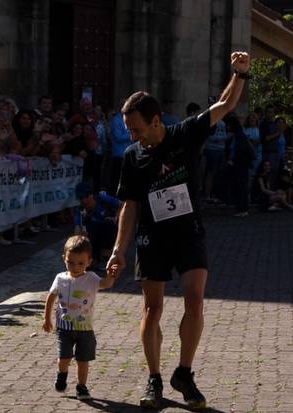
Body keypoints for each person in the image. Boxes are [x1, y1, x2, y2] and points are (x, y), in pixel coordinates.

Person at [106, 51, 250, 409]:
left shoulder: (185, 134)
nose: (134, 136)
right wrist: (118, 249)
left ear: (156, 120)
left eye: (137, 129)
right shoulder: (131, 157)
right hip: (152, 237)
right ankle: (154, 379)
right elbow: (130, 205)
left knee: (195, 303)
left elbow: (225, 104)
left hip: (189, 231)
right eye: (129, 131)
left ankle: (184, 373)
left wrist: (240, 73)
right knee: (152, 309)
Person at [42, 235, 117, 400]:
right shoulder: (60, 278)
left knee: (83, 361)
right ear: (64, 259)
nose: (75, 267)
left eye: (81, 263)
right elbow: (51, 297)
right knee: (64, 358)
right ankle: (62, 374)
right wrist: (47, 318)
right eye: (71, 262)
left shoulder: (91, 278)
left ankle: (82, 387)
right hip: (64, 328)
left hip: (85, 329)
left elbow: (105, 284)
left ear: (89, 261)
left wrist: (111, 275)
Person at [74, 183, 120, 268]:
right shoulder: (80, 210)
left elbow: (122, 205)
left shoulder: (102, 199)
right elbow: (76, 229)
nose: (84, 200)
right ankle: (91, 257)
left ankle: (105, 256)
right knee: (80, 235)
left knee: (108, 223)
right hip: (94, 235)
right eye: (81, 198)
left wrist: (117, 218)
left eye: (86, 196)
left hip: (111, 233)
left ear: (91, 194)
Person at [224, 113, 256, 217]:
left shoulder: (239, 135)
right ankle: (240, 207)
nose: (227, 127)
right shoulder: (237, 135)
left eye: (228, 125)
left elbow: (240, 151)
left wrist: (233, 161)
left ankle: (242, 209)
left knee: (241, 186)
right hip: (238, 164)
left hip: (240, 165)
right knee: (239, 186)